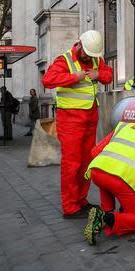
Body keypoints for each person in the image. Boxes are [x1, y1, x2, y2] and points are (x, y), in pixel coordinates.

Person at [42, 30, 113, 218]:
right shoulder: (64, 60)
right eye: (87, 54)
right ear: (79, 45)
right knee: (71, 163)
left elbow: (108, 76)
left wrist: (98, 74)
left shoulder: (96, 60)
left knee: (86, 162)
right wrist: (76, 77)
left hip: (90, 116)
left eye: (92, 55)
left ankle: (81, 200)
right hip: (70, 119)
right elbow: (48, 80)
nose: (89, 57)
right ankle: (70, 206)